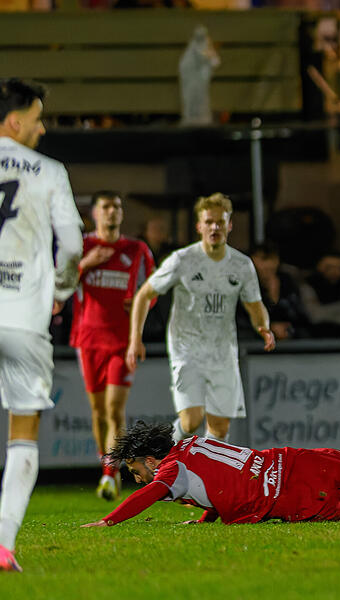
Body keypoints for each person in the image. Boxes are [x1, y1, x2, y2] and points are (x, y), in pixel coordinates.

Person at [81, 419, 340, 527]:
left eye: (134, 469)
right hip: (294, 460)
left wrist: (108, 519)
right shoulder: (193, 443)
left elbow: (152, 493)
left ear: (152, 460)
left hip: (284, 496)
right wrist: (208, 517)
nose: (136, 478)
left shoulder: (168, 472)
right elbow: (218, 487)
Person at [0, 78, 83, 572]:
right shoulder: (50, 171)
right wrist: (61, 291)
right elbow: (72, 246)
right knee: (23, 432)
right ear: (14, 121)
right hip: (25, 319)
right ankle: (3, 544)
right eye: (37, 118)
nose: (43, 126)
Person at [126, 192, 275, 444]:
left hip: (223, 351)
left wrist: (264, 327)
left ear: (229, 225)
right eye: (208, 222)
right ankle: (164, 451)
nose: (214, 227)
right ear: (199, 226)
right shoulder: (182, 260)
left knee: (219, 427)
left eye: (220, 221)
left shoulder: (241, 265)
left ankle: (206, 480)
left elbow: (254, 304)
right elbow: (143, 295)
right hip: (187, 348)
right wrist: (134, 339)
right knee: (192, 420)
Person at [70, 191, 155, 501]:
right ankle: (106, 464)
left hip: (122, 342)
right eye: (106, 207)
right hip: (87, 339)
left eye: (117, 207)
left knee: (114, 409)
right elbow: (61, 283)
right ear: (95, 213)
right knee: (97, 412)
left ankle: (109, 474)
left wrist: (139, 305)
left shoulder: (136, 250)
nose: (112, 212)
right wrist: (85, 264)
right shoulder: (83, 247)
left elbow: (151, 291)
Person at [299, 251, 340, 338]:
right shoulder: (308, 286)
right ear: (319, 266)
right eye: (329, 267)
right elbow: (315, 316)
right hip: (319, 335)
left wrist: (333, 317)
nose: (335, 272)